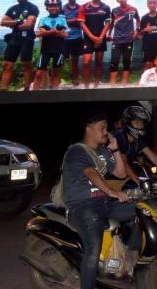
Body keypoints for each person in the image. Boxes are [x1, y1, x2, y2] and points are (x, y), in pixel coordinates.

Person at [62, 111, 139, 289]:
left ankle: (129, 259)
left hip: (103, 203)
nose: (106, 132)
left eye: (106, 128)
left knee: (141, 210)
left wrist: (116, 149)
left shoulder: (103, 150)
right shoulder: (77, 151)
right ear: (89, 130)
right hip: (82, 206)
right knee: (93, 248)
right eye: (101, 128)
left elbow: (120, 173)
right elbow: (91, 173)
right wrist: (110, 191)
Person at [112, 105, 157, 185]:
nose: (140, 126)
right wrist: (138, 182)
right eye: (136, 122)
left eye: (142, 123)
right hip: (112, 178)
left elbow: (152, 156)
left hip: (125, 175)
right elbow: (123, 162)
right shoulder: (120, 137)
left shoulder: (137, 140)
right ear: (127, 123)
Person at [0, 0, 39, 91]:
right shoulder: (12, 8)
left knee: (26, 64)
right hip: (14, 38)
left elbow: (28, 25)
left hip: (27, 39)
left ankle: (27, 89)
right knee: (7, 65)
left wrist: (12, 22)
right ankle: (3, 91)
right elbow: (2, 22)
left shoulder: (33, 7)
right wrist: (19, 21)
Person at [33, 0, 68, 90]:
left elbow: (66, 34)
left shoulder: (62, 19)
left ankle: (54, 94)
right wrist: (55, 31)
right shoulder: (43, 19)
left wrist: (47, 31)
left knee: (56, 73)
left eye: (56, 6)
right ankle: (32, 96)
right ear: (47, 8)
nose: (53, 8)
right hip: (45, 50)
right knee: (38, 73)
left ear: (59, 7)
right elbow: (39, 33)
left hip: (59, 49)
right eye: (50, 6)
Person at [82, 0, 111, 89]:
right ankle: (86, 87)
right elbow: (82, 23)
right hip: (88, 38)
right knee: (86, 62)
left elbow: (107, 24)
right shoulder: (84, 7)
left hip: (100, 38)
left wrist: (100, 38)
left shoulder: (106, 7)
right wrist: (92, 37)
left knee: (99, 63)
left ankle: (95, 86)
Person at [109, 0, 140, 86]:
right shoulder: (114, 10)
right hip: (116, 40)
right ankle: (113, 85)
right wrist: (109, 33)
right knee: (114, 61)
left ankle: (123, 84)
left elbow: (138, 20)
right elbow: (111, 22)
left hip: (128, 40)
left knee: (126, 62)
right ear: (117, 0)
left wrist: (136, 30)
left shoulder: (133, 9)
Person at [63, 0, 87, 87]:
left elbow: (82, 21)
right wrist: (76, 20)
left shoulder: (80, 8)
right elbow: (63, 23)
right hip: (64, 38)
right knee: (60, 61)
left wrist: (71, 21)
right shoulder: (62, 8)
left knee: (75, 62)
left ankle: (75, 81)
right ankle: (56, 80)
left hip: (77, 38)